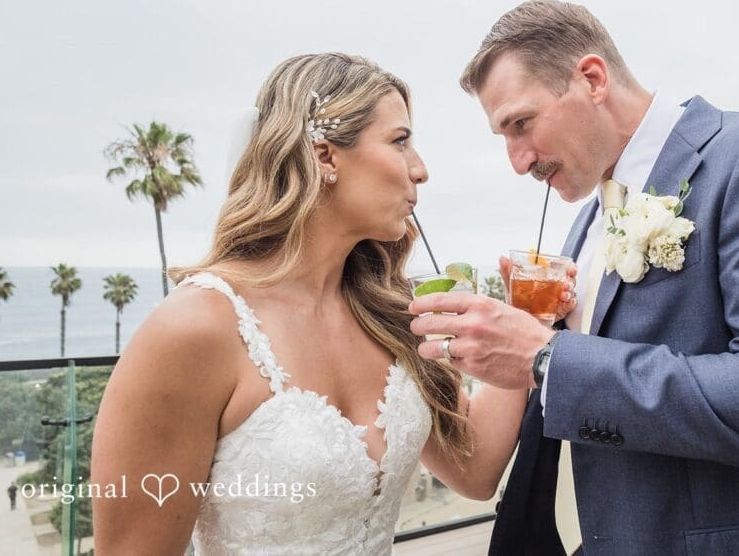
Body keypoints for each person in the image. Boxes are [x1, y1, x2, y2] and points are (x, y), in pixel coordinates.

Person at [409, 0, 739, 554]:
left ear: (592, 80)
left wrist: (547, 357)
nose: (518, 161)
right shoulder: (585, 221)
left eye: (520, 124)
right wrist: (527, 323)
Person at [91, 53, 573, 555]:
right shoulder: (194, 329)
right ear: (324, 156)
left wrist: (527, 318)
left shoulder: (394, 317)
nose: (421, 169)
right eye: (400, 140)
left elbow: (475, 469)